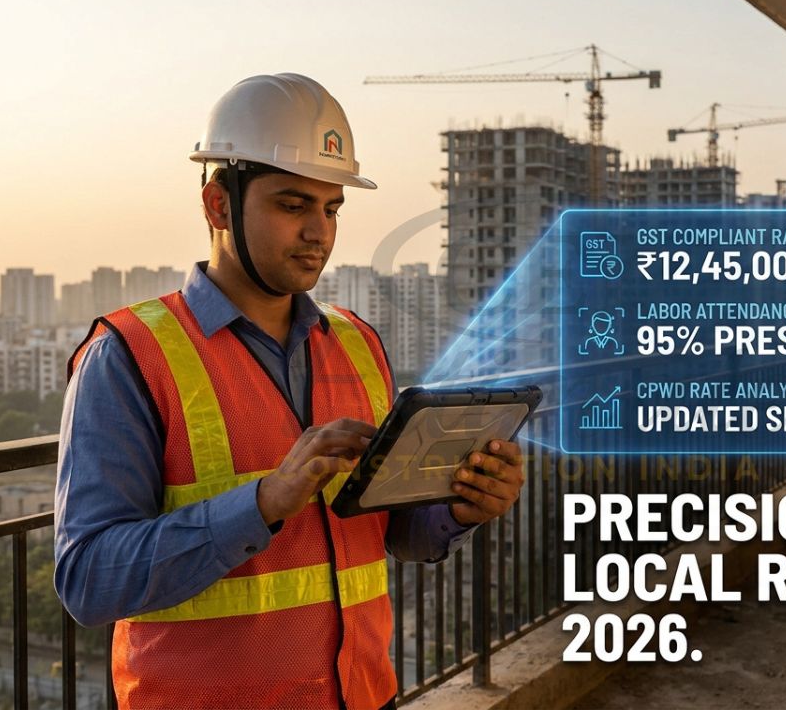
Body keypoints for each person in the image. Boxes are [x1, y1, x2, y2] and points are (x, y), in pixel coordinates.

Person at [53, 73, 525, 710]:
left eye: (331, 209)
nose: (319, 232)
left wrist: (461, 507)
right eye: (293, 205)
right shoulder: (129, 356)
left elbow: (386, 532)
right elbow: (88, 581)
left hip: (363, 696)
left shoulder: (356, 343)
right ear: (219, 206)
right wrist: (265, 502)